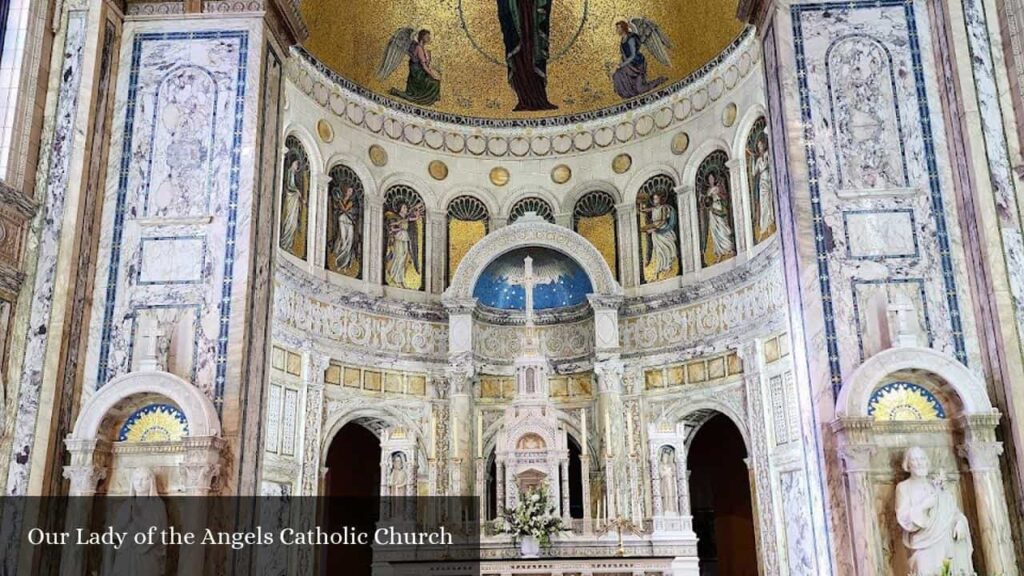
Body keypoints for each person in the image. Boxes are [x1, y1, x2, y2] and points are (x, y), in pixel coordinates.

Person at [895, 447, 974, 576]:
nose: (920, 463)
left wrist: (960, 522)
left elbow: (953, 511)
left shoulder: (936, 485)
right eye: (915, 460)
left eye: (922, 459)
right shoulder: (903, 487)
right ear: (908, 465)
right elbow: (903, 517)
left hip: (945, 541)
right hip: (922, 544)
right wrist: (923, 506)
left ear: (927, 462)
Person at [497, 0, 558, 111]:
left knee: (534, 52)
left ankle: (539, 97)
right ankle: (524, 98)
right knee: (519, 54)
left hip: (532, 12)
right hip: (515, 13)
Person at [613, 21, 667, 99]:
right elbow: (624, 55)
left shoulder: (630, 39)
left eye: (618, 28)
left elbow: (633, 55)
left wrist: (620, 65)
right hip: (629, 66)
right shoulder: (622, 40)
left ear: (623, 28)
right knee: (617, 75)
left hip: (637, 65)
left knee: (640, 89)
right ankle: (626, 94)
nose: (616, 30)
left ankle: (659, 80)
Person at [389, 29, 441, 106]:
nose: (429, 38)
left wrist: (429, 59)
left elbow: (426, 65)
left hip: (420, 72)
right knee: (435, 83)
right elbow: (423, 66)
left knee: (435, 81)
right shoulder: (419, 48)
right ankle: (423, 98)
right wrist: (433, 75)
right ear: (422, 37)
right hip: (417, 75)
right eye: (427, 36)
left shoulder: (422, 48)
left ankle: (430, 97)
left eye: (429, 36)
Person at [639, 192, 678, 281]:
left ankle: (667, 267)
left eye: (656, 198)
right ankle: (659, 269)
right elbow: (642, 210)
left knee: (665, 248)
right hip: (655, 231)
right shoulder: (653, 209)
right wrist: (641, 202)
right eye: (653, 199)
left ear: (660, 199)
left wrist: (654, 229)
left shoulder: (663, 208)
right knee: (657, 250)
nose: (655, 200)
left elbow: (663, 221)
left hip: (663, 230)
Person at [385, 202, 423, 288]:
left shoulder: (405, 218)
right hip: (398, 239)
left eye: (406, 208)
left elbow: (412, 216)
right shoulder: (394, 217)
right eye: (404, 208)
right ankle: (394, 276)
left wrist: (417, 212)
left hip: (405, 237)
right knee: (399, 256)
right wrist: (401, 226)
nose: (406, 209)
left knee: (404, 256)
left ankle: (400, 279)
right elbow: (391, 227)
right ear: (400, 208)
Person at [701, 173, 736, 266]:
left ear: (714, 179)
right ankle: (719, 253)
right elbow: (706, 202)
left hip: (719, 208)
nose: (711, 180)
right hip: (712, 211)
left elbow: (724, 196)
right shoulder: (708, 190)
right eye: (709, 179)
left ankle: (728, 249)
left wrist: (719, 195)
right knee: (714, 230)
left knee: (722, 227)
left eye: (712, 178)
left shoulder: (718, 187)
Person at [330, 185, 359, 272]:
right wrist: (338, 202)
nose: (350, 192)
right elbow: (337, 209)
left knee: (349, 242)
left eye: (351, 191)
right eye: (349, 190)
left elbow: (345, 209)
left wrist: (340, 203)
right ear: (345, 191)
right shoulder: (341, 199)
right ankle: (339, 262)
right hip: (342, 219)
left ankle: (345, 264)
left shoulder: (351, 202)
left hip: (349, 222)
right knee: (343, 240)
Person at [752, 136, 776, 240]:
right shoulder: (757, 160)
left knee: (769, 202)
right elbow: (754, 173)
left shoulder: (767, 154)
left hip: (769, 179)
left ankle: (770, 224)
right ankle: (763, 227)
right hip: (762, 181)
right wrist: (753, 160)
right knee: (763, 204)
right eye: (758, 146)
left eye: (761, 145)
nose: (760, 147)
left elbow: (771, 164)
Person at [280, 156, 304, 251]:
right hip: (290, 198)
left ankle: (289, 244)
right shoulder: (289, 173)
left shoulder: (295, 175)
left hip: (295, 200)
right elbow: (288, 186)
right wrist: (296, 191)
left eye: (298, 164)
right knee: (289, 221)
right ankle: (284, 242)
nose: (297, 166)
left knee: (293, 223)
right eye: (296, 164)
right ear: (292, 163)